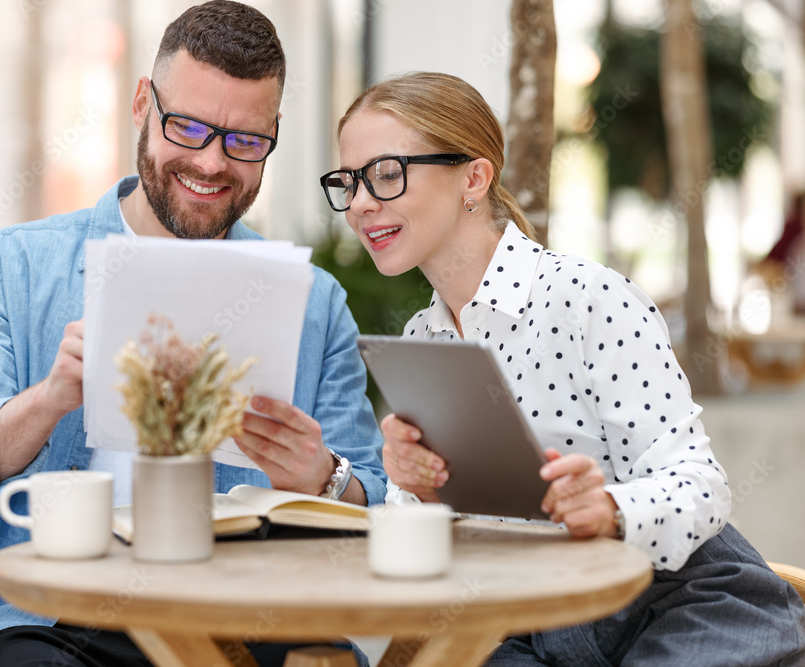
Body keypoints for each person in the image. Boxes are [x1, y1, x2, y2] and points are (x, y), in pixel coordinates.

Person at [0, 3, 386, 666]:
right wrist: (46, 400)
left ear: (273, 135)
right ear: (141, 105)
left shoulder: (315, 304)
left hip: (241, 623)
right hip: (48, 622)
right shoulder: (16, 267)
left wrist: (325, 479)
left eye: (244, 141)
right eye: (187, 127)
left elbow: (376, 504)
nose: (212, 163)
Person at [319, 71, 805, 665]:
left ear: (473, 177)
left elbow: (702, 487)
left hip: (677, 599)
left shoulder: (589, 298)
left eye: (387, 174)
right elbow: (435, 555)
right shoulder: (425, 338)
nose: (361, 203)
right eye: (349, 182)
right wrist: (418, 491)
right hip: (531, 624)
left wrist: (609, 509)